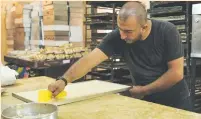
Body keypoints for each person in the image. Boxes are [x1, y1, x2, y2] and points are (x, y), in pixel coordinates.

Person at [48, 1, 192, 111]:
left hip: (175, 102)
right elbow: (90, 60)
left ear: (144, 27)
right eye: (120, 29)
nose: (122, 36)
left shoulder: (167, 32)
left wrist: (144, 90)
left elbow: (176, 73)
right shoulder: (118, 36)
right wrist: (64, 79)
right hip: (145, 101)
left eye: (128, 31)